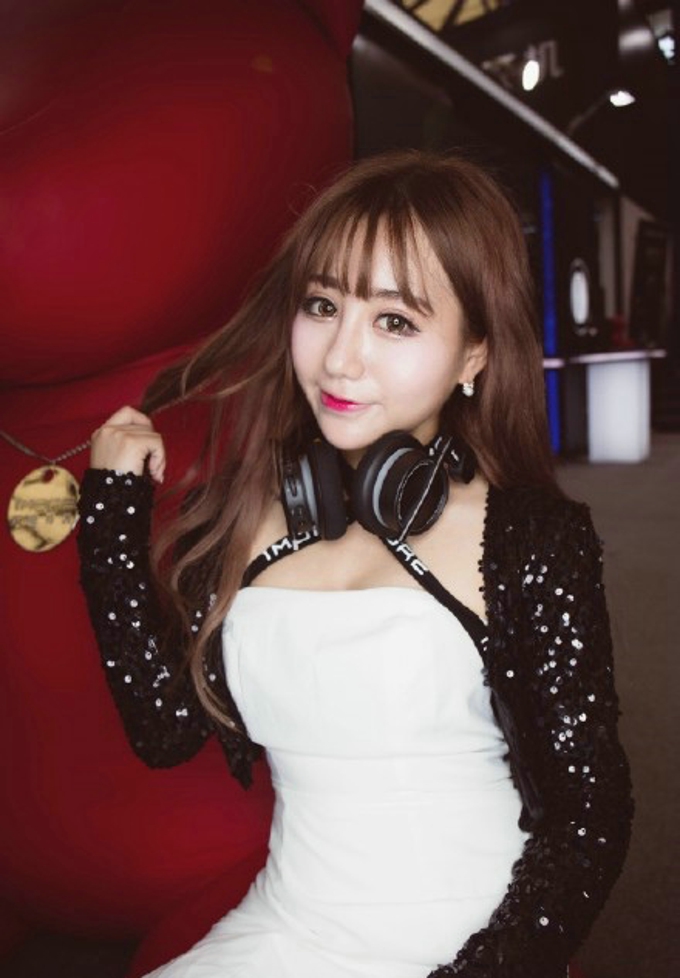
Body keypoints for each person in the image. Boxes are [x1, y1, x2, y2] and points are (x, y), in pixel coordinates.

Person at [77, 149, 633, 978]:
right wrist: (109, 519)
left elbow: (589, 818)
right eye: (323, 305)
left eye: (395, 321)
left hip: (475, 944)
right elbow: (163, 731)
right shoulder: (245, 518)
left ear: (474, 355)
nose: (340, 358)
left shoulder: (528, 540)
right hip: (284, 930)